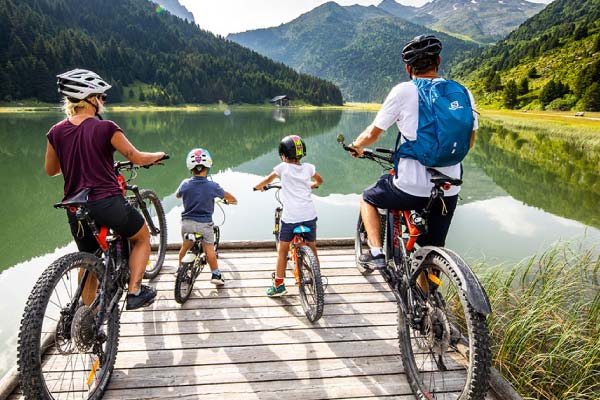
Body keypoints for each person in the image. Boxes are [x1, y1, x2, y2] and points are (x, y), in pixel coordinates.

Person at [348, 35, 478, 270]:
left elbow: (373, 133)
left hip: (410, 186)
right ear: (438, 60)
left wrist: (357, 145)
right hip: (448, 187)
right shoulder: (463, 93)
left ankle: (376, 253)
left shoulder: (403, 91)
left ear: (408, 68)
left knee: (368, 197)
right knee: (430, 251)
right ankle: (427, 302)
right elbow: (469, 142)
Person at [45, 68, 166, 310]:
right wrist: (157, 155)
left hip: (74, 207)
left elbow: (51, 170)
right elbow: (136, 157)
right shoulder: (106, 128)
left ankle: (88, 317)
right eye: (101, 96)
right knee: (142, 237)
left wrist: (74, 159)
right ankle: (135, 292)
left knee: (88, 259)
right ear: (90, 98)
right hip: (107, 202)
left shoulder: (56, 132)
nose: (102, 102)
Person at [254, 135, 323, 296]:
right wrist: (313, 185)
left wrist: (258, 187)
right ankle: (317, 277)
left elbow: (266, 180)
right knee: (312, 246)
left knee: (282, 251)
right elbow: (320, 180)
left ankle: (279, 285)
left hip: (291, 218)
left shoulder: (282, 168)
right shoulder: (309, 168)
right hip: (309, 215)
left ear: (283, 156)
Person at [176, 148, 237, 285]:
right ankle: (215, 275)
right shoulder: (212, 186)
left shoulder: (185, 184)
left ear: (190, 168)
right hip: (205, 225)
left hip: (186, 224)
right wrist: (233, 200)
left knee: (184, 248)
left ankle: (179, 269)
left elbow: (177, 195)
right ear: (208, 167)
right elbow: (228, 196)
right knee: (209, 249)